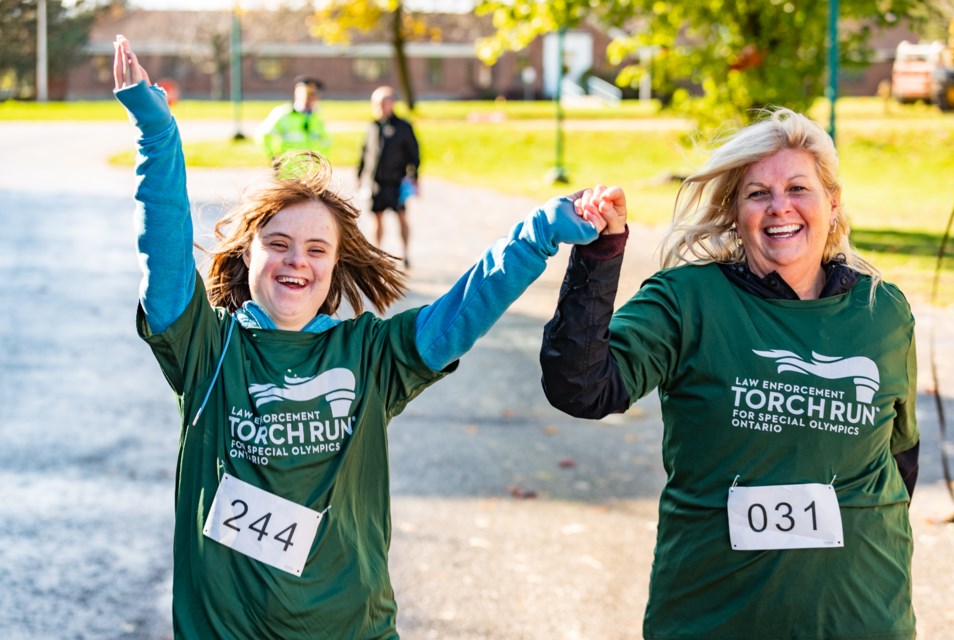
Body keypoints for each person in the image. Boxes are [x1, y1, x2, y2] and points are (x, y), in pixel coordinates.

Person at [113, 35, 603, 639]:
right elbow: (163, 260)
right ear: (246, 255)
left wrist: (541, 231)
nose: (298, 261)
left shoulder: (370, 355)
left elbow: (463, 310)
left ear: (336, 267)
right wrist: (157, 134)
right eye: (279, 243)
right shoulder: (207, 349)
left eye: (317, 249)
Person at [540, 108, 919, 639]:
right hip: (712, 617)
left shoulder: (884, 312)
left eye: (798, 188)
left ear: (832, 204)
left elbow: (899, 458)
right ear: (734, 213)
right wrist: (602, 252)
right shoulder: (686, 301)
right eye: (757, 193)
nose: (779, 207)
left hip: (860, 618)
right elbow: (580, 387)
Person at [357, 86, 419, 268]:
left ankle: (405, 252)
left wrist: (413, 176)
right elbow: (364, 152)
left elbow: (414, 154)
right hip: (376, 181)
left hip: (396, 181)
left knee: (401, 216)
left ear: (392, 103)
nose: (379, 106)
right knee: (376, 217)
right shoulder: (372, 126)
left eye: (383, 102)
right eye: (375, 103)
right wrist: (360, 174)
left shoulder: (403, 127)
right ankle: (377, 253)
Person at [256, 74, 331, 161]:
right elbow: (263, 135)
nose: (309, 97)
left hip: (311, 169)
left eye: (313, 93)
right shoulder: (283, 113)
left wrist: (322, 163)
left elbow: (325, 143)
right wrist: (272, 157)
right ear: (297, 93)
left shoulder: (317, 117)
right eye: (306, 93)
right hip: (288, 169)